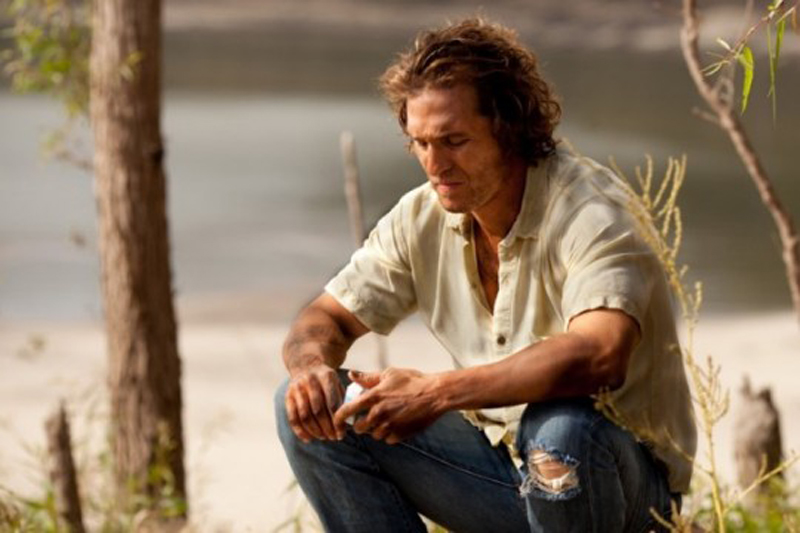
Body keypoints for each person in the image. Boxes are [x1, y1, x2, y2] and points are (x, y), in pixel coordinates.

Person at [275, 18, 696, 533]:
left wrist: (435, 392)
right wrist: (310, 371)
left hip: (620, 489)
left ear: (508, 129)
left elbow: (600, 354)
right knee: (310, 411)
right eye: (420, 143)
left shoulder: (591, 211)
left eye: (454, 140)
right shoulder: (420, 216)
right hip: (500, 470)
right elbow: (325, 319)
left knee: (559, 431)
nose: (435, 165)